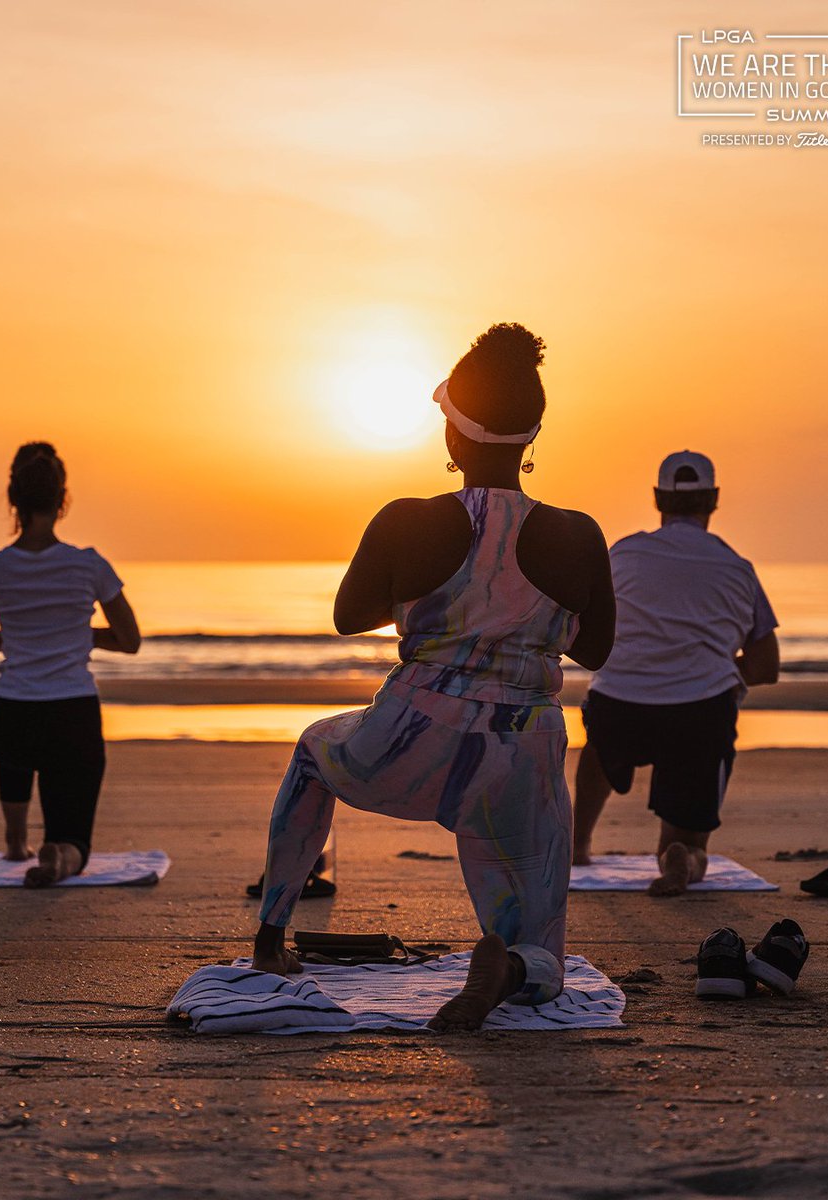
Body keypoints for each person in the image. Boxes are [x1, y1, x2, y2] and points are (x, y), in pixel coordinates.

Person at [251, 323, 615, 1030]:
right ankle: (507, 967)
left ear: (453, 436)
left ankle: (270, 939)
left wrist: (431, 606)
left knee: (312, 754)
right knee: (543, 958)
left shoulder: (405, 520)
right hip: (522, 754)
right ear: (531, 438)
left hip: (413, 736)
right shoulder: (580, 534)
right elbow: (596, 652)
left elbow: (348, 617)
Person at [572, 450, 779, 896]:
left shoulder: (623, 554)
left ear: (657, 498)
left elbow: (584, 630)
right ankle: (681, 856)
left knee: (599, 744)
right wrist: (714, 663)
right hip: (701, 710)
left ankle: (577, 844)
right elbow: (766, 666)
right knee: (687, 835)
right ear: (714, 499)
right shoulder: (737, 568)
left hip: (620, 707)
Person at [0, 443, 141, 886]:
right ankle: (61, 853)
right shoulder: (88, 565)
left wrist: (22, 632)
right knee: (72, 832)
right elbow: (129, 640)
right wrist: (75, 630)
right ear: (62, 502)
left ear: (13, 502)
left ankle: (16, 839)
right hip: (71, 718)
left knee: (23, 724)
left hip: (6, 724)